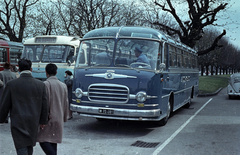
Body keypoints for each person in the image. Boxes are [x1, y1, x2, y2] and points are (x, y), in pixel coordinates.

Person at [0, 58, 49, 155]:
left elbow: (4, 105)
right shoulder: (40, 85)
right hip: (33, 121)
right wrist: (43, 121)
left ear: (18, 69)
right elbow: (45, 105)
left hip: (18, 122)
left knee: (21, 147)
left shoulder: (11, 85)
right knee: (29, 146)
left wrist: (1, 118)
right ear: (31, 69)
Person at [37, 63, 68, 155]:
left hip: (48, 118)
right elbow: (66, 103)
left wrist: (42, 119)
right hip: (59, 117)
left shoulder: (45, 84)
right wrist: (65, 117)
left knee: (42, 139)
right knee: (53, 142)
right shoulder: (63, 85)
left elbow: (43, 104)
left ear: (46, 73)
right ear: (56, 72)